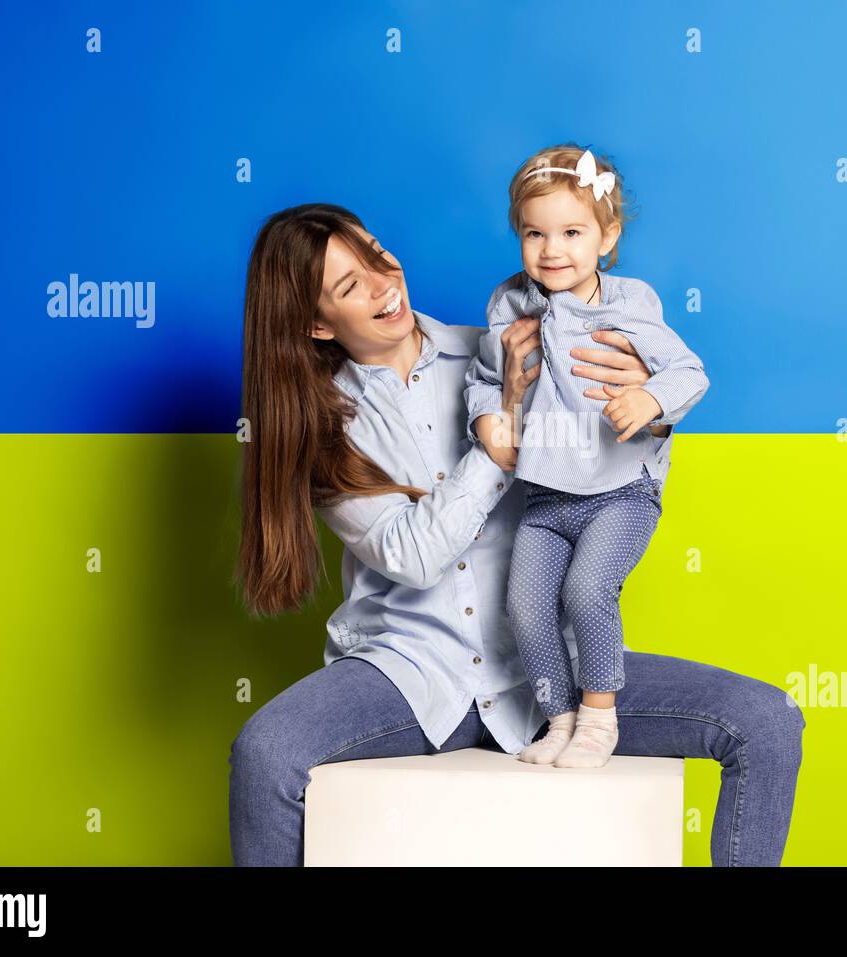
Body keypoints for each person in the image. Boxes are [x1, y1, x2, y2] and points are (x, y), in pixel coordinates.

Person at [228, 202, 805, 866]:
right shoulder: (321, 425)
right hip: (410, 674)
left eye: (377, 254)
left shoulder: (511, 348)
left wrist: (649, 413)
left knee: (765, 723)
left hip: (550, 677)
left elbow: (617, 458)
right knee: (266, 751)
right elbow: (412, 555)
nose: (385, 283)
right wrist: (496, 439)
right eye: (350, 285)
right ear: (316, 323)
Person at [465, 143, 711, 768]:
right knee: (523, 603)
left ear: (607, 236)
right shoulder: (508, 304)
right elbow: (482, 377)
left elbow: (689, 372)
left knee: (588, 590)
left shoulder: (629, 304)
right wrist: (486, 417)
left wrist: (652, 400)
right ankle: (559, 718)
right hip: (546, 498)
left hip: (620, 491)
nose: (552, 250)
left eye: (572, 232)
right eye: (535, 233)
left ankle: (600, 721)